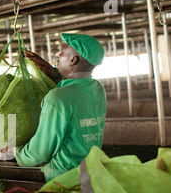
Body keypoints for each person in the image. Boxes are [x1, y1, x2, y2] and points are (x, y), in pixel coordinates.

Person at [12, 33, 107, 183]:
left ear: (73, 59)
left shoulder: (56, 99)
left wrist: (18, 152)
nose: (57, 59)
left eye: (61, 54)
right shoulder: (97, 89)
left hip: (61, 179)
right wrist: (52, 71)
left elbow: (39, 153)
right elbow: (76, 87)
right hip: (89, 172)